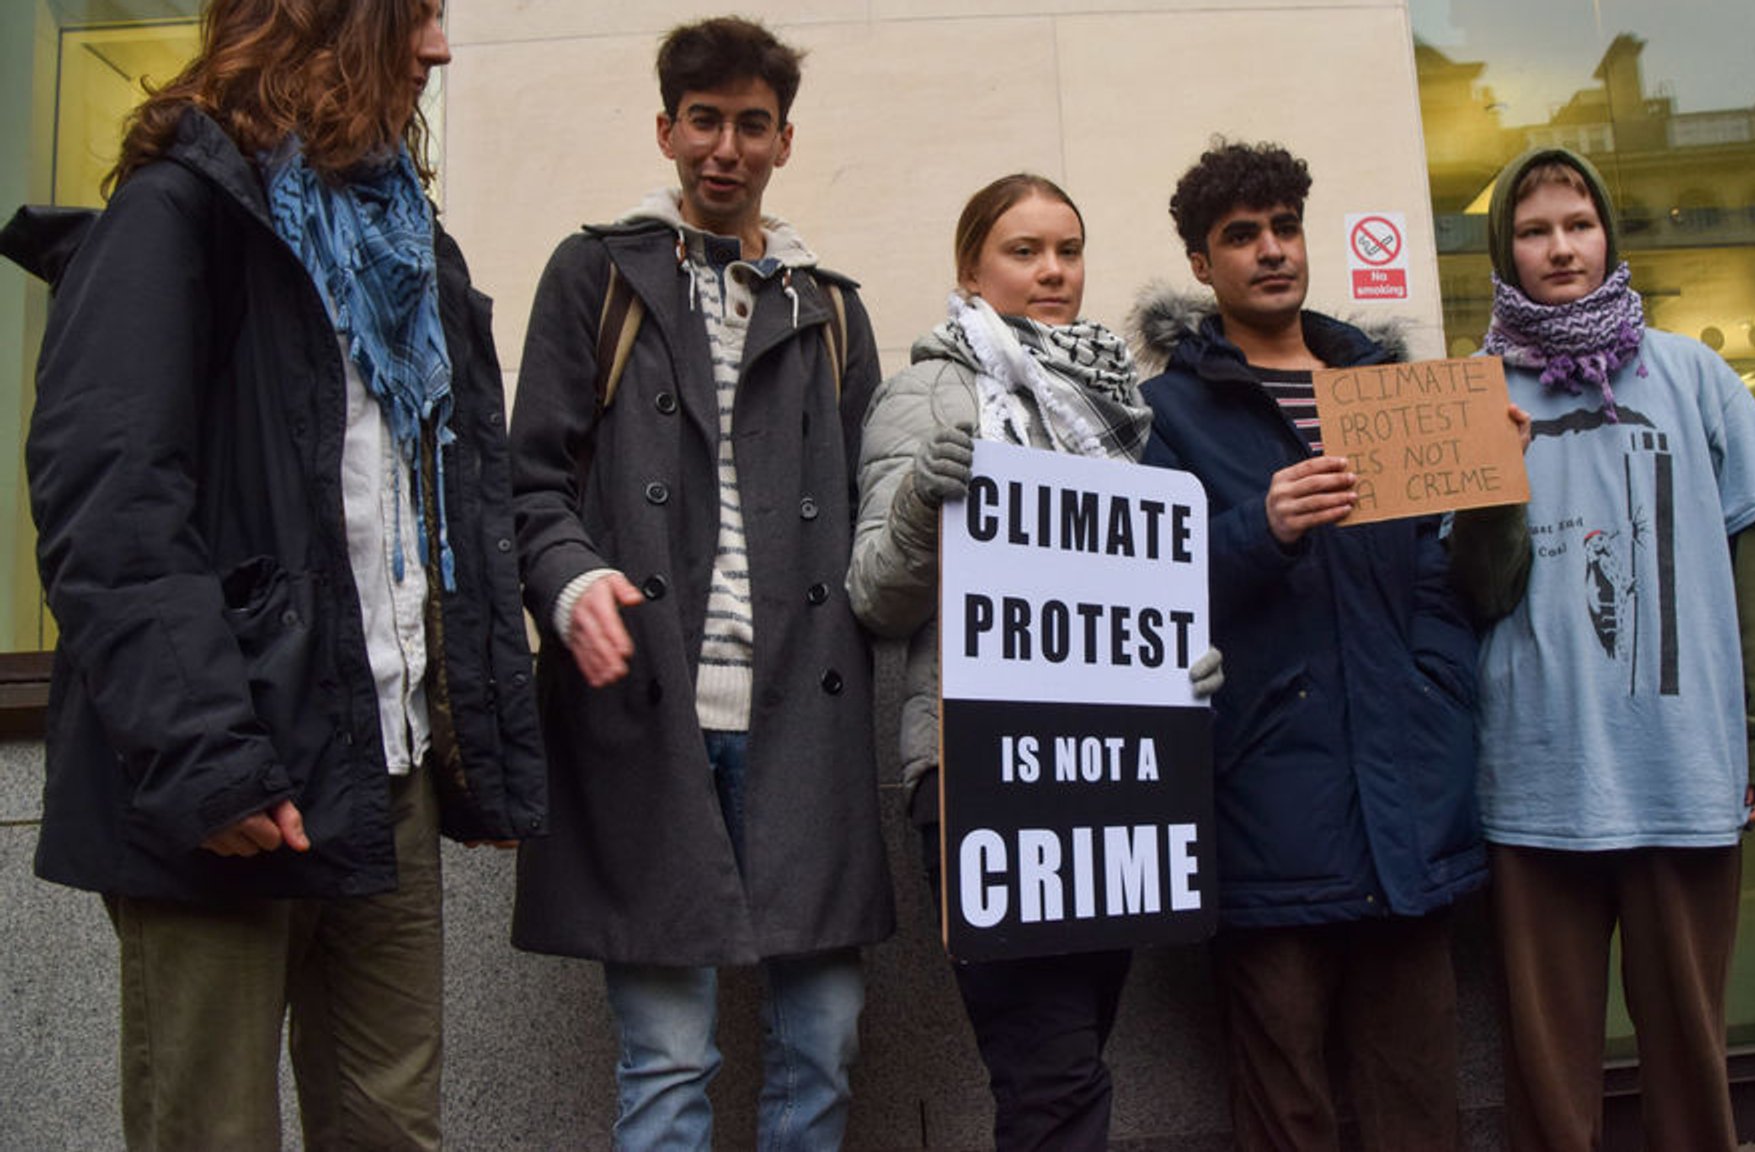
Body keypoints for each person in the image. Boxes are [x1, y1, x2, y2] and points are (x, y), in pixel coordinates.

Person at [2, 0, 548, 1148]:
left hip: (383, 770)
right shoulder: (173, 216)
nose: (439, 49)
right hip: (225, 784)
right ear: (324, 26)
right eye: (417, 17)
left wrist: (480, 746)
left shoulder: (411, 245)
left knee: (393, 1128)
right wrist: (208, 762)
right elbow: (110, 506)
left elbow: (446, 506)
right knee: (213, 1131)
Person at [506, 16, 892, 1152]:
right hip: (646, 714)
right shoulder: (596, 275)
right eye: (705, 121)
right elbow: (528, 484)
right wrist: (570, 583)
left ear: (783, 141)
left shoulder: (829, 307)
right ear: (666, 129)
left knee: (824, 1038)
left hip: (803, 727)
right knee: (668, 1060)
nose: (726, 146)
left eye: (751, 125)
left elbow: (877, 515)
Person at [847, 173, 1218, 1151]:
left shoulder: (1121, 408)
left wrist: (1180, 661)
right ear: (971, 269)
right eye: (1023, 250)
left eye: (1067, 249)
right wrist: (925, 503)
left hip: (1117, 771)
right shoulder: (925, 391)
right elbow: (875, 596)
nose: (1051, 271)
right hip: (982, 771)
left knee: (1067, 1062)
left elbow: (1126, 585)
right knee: (1050, 1074)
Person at [1132, 140, 1487, 1151]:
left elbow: (1442, 580)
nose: (1270, 250)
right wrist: (1259, 529)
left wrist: (1438, 685)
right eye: (1240, 236)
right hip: (1264, 801)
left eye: (1283, 227)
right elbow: (1141, 598)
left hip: (1409, 795)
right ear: (1202, 265)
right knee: (1283, 1102)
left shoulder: (1387, 389)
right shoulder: (1168, 415)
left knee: (1416, 1092)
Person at [1451, 146, 1755, 1151]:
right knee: (1544, 1067)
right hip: (1533, 771)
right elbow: (1475, 593)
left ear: (1605, 232)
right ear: (1501, 250)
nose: (1557, 248)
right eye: (1532, 231)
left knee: (1689, 1055)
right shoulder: (1475, 393)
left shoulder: (1691, 374)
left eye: (1575, 224)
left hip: (1680, 766)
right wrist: (1491, 485)